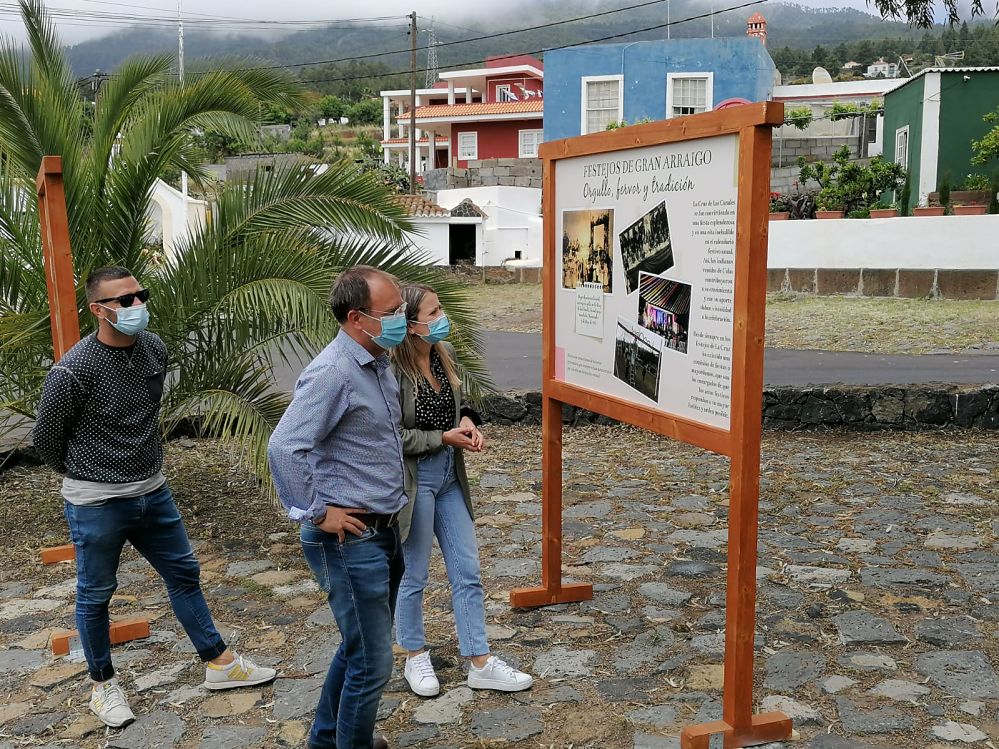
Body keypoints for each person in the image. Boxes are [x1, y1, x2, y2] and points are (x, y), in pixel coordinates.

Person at [32, 266, 276, 730]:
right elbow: (46, 439)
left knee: (185, 575)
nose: (135, 306)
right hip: (97, 502)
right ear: (97, 309)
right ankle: (103, 686)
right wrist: (86, 471)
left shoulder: (153, 350)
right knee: (96, 594)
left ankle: (220, 664)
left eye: (139, 296)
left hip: (153, 491)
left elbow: (144, 412)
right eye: (123, 301)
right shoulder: (73, 370)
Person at [268, 266, 408, 749]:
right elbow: (285, 447)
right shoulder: (334, 372)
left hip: (382, 531)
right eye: (392, 313)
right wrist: (315, 511)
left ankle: (326, 739)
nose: (402, 320)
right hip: (350, 539)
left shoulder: (377, 362)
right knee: (373, 663)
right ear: (356, 318)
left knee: (359, 650)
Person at [391, 284, 533, 698]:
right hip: (415, 484)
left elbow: (458, 405)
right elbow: (392, 436)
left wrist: (468, 421)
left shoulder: (444, 354)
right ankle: (414, 655)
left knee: (467, 572)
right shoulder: (392, 372)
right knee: (413, 575)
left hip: (451, 478)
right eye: (433, 312)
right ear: (412, 325)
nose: (442, 317)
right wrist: (443, 439)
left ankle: (480, 661)